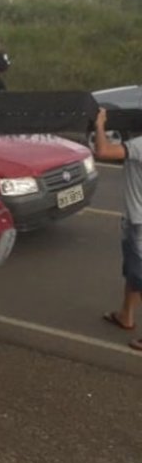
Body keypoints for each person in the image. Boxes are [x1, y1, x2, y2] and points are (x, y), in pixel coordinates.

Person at [93, 108, 142, 352]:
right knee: (132, 273)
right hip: (134, 220)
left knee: (140, 276)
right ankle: (126, 315)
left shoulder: (140, 146)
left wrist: (100, 125)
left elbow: (102, 151)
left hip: (139, 223)